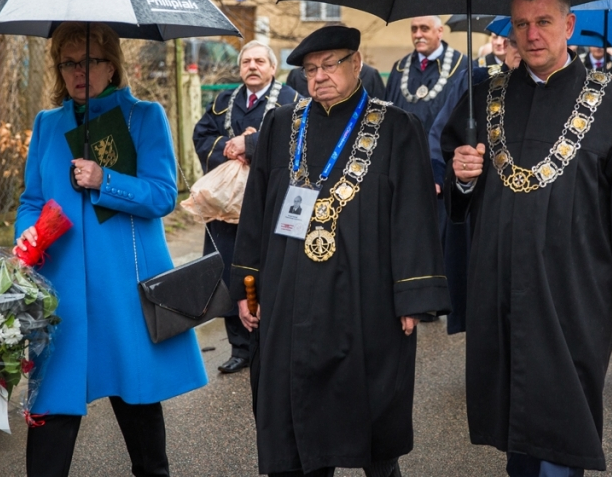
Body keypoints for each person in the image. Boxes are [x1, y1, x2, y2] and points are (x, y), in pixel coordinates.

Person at [442, 0, 612, 476]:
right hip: (500, 284)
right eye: (521, 24)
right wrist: (462, 174)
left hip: (574, 287)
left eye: (543, 22)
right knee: (513, 419)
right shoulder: (484, 98)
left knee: (563, 422)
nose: (532, 34)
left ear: (568, 25)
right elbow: (457, 182)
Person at [231, 25, 450, 477]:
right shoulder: (279, 124)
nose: (319, 76)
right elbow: (256, 212)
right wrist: (247, 286)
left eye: (330, 64)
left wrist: (412, 297)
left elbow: (413, 215)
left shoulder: (396, 127)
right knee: (294, 418)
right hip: (290, 294)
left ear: (357, 63)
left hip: (365, 297)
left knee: (371, 416)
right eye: (311, 69)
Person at [14, 22, 207, 476]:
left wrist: (106, 180)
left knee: (140, 419)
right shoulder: (47, 124)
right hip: (60, 292)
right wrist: (26, 235)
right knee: (50, 422)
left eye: (90, 61)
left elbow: (163, 195)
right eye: (69, 63)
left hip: (123, 289)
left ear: (112, 64)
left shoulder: (144, 116)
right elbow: (31, 200)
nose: (80, 72)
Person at [193, 41, 300, 374]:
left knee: (269, 268)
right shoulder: (224, 102)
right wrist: (229, 146)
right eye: (246, 61)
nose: (252, 66)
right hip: (226, 205)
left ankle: (274, 343)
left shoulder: (291, 101)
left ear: (272, 67)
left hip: (270, 201)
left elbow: (299, 139)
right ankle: (239, 347)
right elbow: (201, 135)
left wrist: (252, 145)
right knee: (227, 271)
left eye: (259, 61)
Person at [428, 35, 521, 335]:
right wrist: (454, 170)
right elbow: (444, 136)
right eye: (514, 42)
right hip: (489, 215)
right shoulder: (478, 84)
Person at [385, 15, 467, 134]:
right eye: (414, 29)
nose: (418, 35)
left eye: (424, 29)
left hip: (441, 149)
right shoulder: (400, 68)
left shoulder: (461, 66)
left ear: (439, 31)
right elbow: (388, 113)